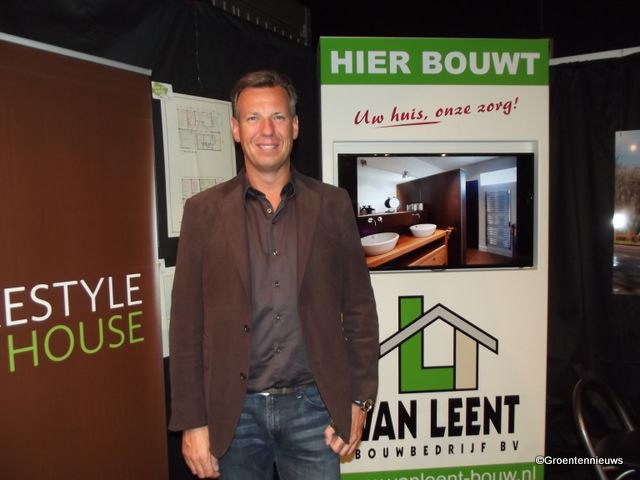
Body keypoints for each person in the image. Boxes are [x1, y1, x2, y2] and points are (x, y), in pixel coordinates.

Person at [168, 69, 379, 479]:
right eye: (253, 118)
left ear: (295, 126)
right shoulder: (202, 212)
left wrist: (359, 400)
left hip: (315, 412)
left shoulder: (332, 205)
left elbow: (359, 310)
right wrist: (192, 421)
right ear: (235, 129)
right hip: (234, 417)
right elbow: (186, 325)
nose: (267, 130)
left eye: (278, 117)